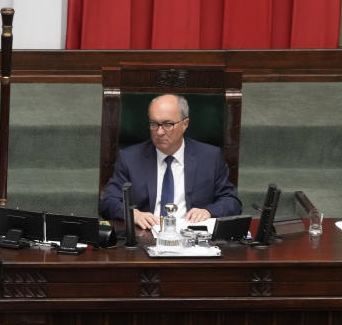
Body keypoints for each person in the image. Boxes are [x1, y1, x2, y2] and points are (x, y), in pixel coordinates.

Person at [98, 93, 242, 229]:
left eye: (168, 124)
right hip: (146, 236)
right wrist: (131, 214)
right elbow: (108, 202)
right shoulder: (130, 158)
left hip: (192, 237)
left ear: (185, 124)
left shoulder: (210, 157)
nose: (159, 132)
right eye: (154, 124)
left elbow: (231, 202)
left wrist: (208, 211)